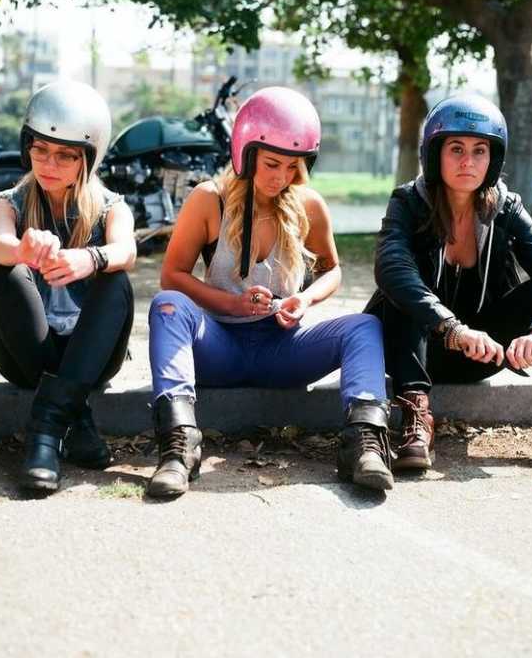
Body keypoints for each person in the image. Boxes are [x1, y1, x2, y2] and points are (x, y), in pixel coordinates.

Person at [147, 86, 391, 497]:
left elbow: (332, 270)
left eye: (293, 166)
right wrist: (231, 303)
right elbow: (172, 275)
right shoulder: (209, 200)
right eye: (272, 163)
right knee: (167, 306)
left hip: (282, 348)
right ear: (246, 152)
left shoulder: (309, 205)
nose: (281, 177)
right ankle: (178, 447)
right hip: (218, 347)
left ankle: (364, 445)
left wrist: (305, 299)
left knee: (364, 326)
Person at [366, 93, 532, 472]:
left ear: (493, 159)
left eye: (479, 151)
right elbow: (391, 267)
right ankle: (415, 418)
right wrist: (452, 328)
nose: (468, 162)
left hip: (482, 355)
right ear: (434, 153)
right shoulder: (408, 202)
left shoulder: (507, 207)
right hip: (412, 352)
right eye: (456, 149)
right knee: (403, 285)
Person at [0, 81, 136, 491]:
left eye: (66, 155)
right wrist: (21, 250)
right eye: (40, 149)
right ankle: (75, 415)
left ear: (88, 157)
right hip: (24, 355)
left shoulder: (111, 207)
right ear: (27, 146)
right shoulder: (9, 202)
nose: (49, 164)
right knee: (4, 274)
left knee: (116, 279)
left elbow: (127, 250)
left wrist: (92, 258)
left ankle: (45, 432)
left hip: (92, 355)